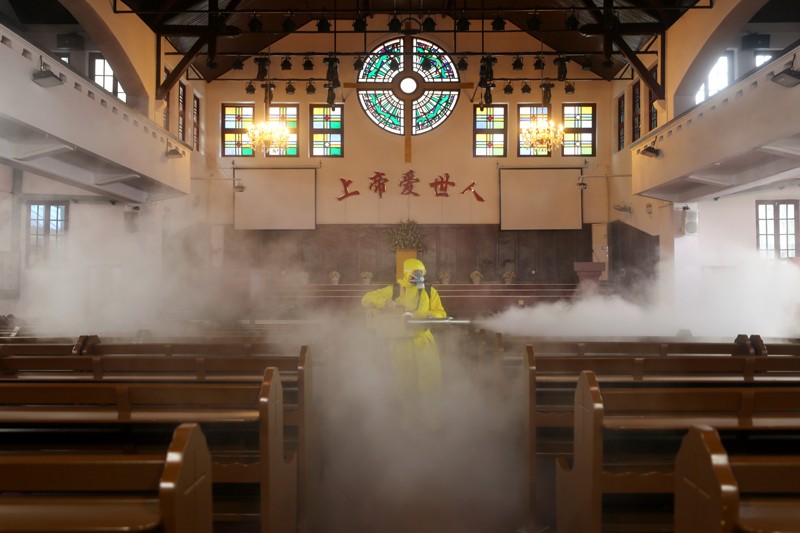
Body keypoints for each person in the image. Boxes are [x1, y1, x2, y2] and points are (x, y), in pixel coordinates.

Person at [361, 258, 447, 429]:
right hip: (400, 342)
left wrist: (434, 316)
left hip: (423, 341)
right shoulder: (394, 290)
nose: (419, 277)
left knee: (430, 380)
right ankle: (408, 419)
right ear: (407, 273)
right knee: (404, 381)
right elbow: (366, 299)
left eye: (421, 274)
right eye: (416, 274)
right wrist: (386, 302)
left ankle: (431, 419)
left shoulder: (430, 291)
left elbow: (441, 312)